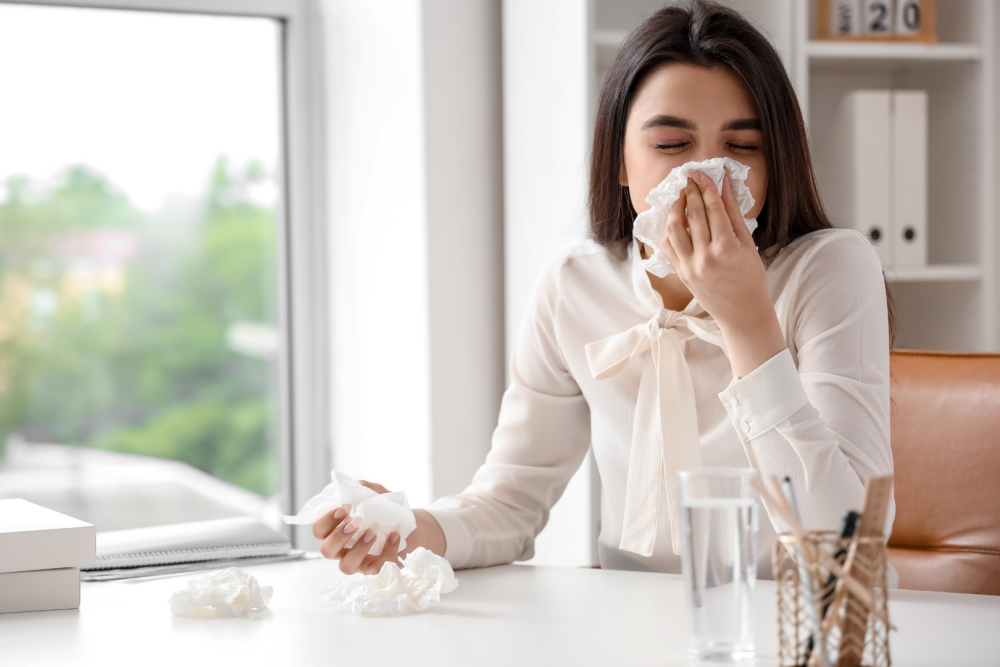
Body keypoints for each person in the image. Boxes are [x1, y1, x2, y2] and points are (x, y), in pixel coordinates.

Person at [313, 0, 895, 578]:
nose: (708, 174)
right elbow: (509, 502)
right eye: (671, 145)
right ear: (619, 159)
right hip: (632, 629)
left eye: (743, 148)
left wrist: (747, 322)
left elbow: (846, 553)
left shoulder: (832, 269)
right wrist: (406, 530)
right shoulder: (575, 285)